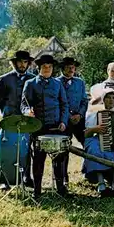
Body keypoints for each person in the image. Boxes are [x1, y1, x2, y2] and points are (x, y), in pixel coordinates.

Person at [21, 54, 69, 198]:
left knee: (59, 160)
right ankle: (37, 191)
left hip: (56, 127)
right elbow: (24, 104)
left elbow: (64, 105)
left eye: (49, 67)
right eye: (44, 67)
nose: (47, 69)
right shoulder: (30, 84)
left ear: (53, 68)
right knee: (38, 160)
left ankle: (60, 189)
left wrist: (63, 122)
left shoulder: (57, 84)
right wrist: (27, 112)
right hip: (38, 127)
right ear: (39, 68)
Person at [0, 50, 36, 189]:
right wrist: (6, 111)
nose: (22, 65)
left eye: (25, 62)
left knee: (26, 149)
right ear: (14, 63)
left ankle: (26, 177)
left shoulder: (33, 78)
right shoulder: (5, 79)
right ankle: (5, 180)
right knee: (6, 149)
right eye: (20, 62)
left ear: (28, 64)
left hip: (26, 121)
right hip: (9, 120)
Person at [83, 88, 114, 197]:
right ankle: (101, 183)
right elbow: (86, 134)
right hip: (98, 139)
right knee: (94, 149)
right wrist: (94, 129)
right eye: (108, 98)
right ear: (103, 100)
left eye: (113, 98)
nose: (111, 101)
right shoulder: (95, 114)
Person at [57, 57, 88, 186]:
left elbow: (84, 100)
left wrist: (80, 115)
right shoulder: (56, 82)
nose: (71, 69)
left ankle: (89, 172)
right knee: (63, 149)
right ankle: (63, 177)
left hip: (79, 119)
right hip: (64, 120)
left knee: (88, 143)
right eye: (68, 67)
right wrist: (68, 116)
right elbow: (56, 102)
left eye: (73, 67)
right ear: (62, 68)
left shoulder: (79, 82)